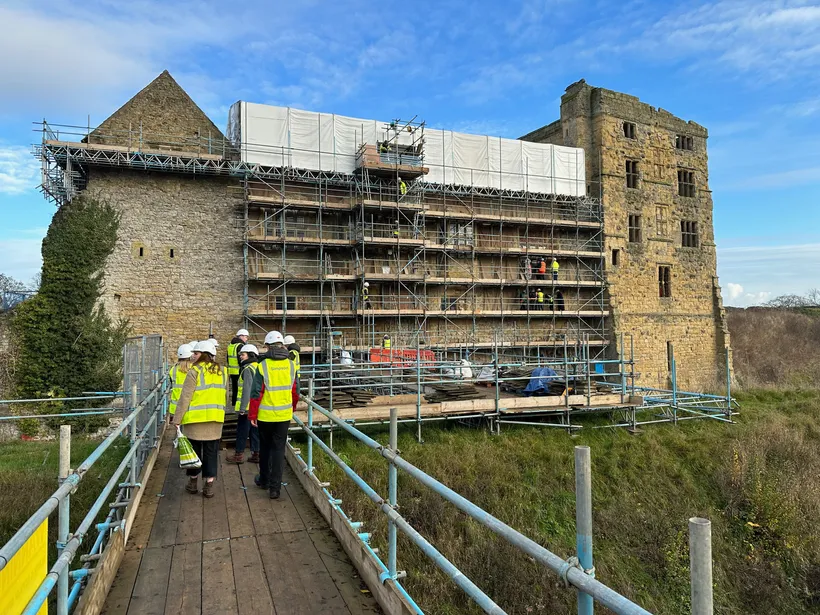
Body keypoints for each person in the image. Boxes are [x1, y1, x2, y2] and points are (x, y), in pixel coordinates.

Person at [172, 340, 227, 498]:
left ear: (203, 355)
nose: (192, 356)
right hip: (215, 419)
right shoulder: (223, 371)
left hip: (195, 420)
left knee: (193, 454)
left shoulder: (194, 371)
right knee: (211, 452)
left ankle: (193, 482)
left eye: (195, 353)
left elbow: (185, 397)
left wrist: (177, 419)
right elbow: (225, 393)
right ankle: (209, 485)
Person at [250, 331, 299, 499]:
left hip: (265, 415)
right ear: (282, 345)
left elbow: (256, 392)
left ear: (267, 346)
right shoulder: (291, 365)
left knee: (265, 448)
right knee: (279, 450)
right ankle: (275, 488)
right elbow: (296, 392)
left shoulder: (262, 365)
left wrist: (252, 414)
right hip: (284, 415)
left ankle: (264, 479)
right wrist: (292, 408)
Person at [227, 344, 260, 465]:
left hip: (247, 408)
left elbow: (247, 389)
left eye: (243, 354)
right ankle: (256, 454)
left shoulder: (247, 369)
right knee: (254, 431)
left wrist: (242, 408)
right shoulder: (258, 367)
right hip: (256, 406)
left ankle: (238, 455)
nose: (240, 356)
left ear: (250, 355)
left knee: (242, 431)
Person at [168, 344, 193, 423]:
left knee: (180, 432)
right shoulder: (194, 369)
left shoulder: (173, 369)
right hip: (190, 406)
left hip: (176, 407)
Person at [227, 328, 250, 406]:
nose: (246, 339)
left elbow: (227, 358)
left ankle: (233, 404)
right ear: (241, 336)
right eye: (246, 337)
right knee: (240, 390)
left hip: (232, 371)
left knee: (234, 390)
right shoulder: (240, 346)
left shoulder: (231, 345)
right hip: (239, 370)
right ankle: (238, 405)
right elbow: (240, 359)